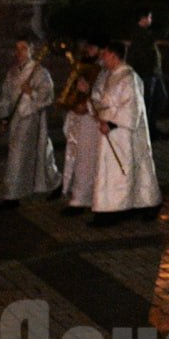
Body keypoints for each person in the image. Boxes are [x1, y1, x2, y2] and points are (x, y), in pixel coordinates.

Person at [89, 41, 162, 226]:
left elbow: (132, 107)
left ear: (114, 55)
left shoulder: (129, 77)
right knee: (108, 173)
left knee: (123, 172)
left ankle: (120, 209)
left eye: (105, 54)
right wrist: (93, 107)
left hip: (123, 134)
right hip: (107, 132)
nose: (102, 57)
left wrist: (112, 123)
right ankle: (108, 208)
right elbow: (98, 98)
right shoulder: (107, 75)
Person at [0, 36, 61, 210]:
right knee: (37, 153)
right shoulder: (12, 72)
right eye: (17, 49)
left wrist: (32, 92)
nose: (19, 53)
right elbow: (6, 96)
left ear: (31, 50)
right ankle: (54, 181)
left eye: (23, 48)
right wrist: (4, 117)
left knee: (18, 155)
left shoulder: (40, 72)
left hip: (32, 118)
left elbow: (48, 96)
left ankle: (12, 196)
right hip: (16, 118)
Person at [59, 35, 107, 215]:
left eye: (92, 47)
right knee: (78, 158)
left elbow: (104, 96)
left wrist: (86, 105)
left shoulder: (103, 71)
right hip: (79, 119)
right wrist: (71, 102)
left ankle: (81, 199)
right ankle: (78, 195)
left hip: (92, 122)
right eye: (87, 47)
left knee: (86, 160)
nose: (88, 50)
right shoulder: (84, 67)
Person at [127, 8, 169, 135]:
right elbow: (160, 35)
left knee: (159, 98)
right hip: (146, 73)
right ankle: (148, 129)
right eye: (149, 17)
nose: (151, 20)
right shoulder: (140, 34)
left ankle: (151, 126)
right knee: (150, 101)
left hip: (153, 73)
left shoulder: (143, 33)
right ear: (143, 19)